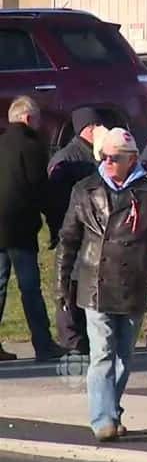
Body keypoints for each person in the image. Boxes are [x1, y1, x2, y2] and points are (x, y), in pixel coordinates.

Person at [56, 127, 147, 441]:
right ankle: (102, 420)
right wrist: (60, 284)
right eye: (104, 156)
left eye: (115, 157)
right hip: (94, 283)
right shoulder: (84, 189)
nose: (108, 162)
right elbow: (68, 240)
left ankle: (112, 409)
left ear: (132, 159)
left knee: (125, 356)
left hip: (134, 283)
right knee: (101, 354)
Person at [0, 96, 65, 362]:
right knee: (29, 288)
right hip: (20, 229)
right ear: (28, 118)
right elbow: (41, 190)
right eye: (37, 119)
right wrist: (53, 223)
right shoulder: (33, 146)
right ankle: (43, 343)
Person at [47, 107, 103, 356]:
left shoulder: (92, 155)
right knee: (68, 283)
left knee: (84, 282)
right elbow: (56, 199)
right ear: (87, 128)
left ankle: (80, 333)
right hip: (72, 230)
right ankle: (71, 336)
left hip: (89, 232)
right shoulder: (68, 159)